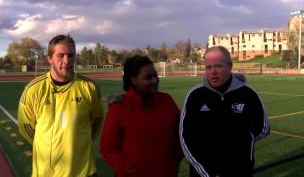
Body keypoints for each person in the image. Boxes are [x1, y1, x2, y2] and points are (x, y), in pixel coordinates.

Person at [17, 34, 104, 177]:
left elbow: (96, 123)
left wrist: (76, 142)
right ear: (50, 58)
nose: (67, 61)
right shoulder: (33, 90)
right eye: (60, 55)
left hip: (83, 171)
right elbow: (26, 127)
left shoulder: (90, 87)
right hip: (46, 173)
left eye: (71, 55)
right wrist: (48, 145)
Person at [180, 46, 270, 177]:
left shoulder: (248, 94)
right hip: (203, 173)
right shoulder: (195, 96)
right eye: (208, 67)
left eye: (218, 66)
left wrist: (241, 142)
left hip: (240, 171)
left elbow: (263, 128)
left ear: (230, 66)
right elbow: (185, 137)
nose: (213, 72)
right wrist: (206, 173)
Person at [100, 55, 183, 177]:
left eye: (155, 75)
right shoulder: (119, 107)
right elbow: (107, 147)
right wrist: (129, 168)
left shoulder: (167, 101)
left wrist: (175, 160)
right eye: (148, 78)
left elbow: (181, 134)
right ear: (133, 79)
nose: (154, 80)